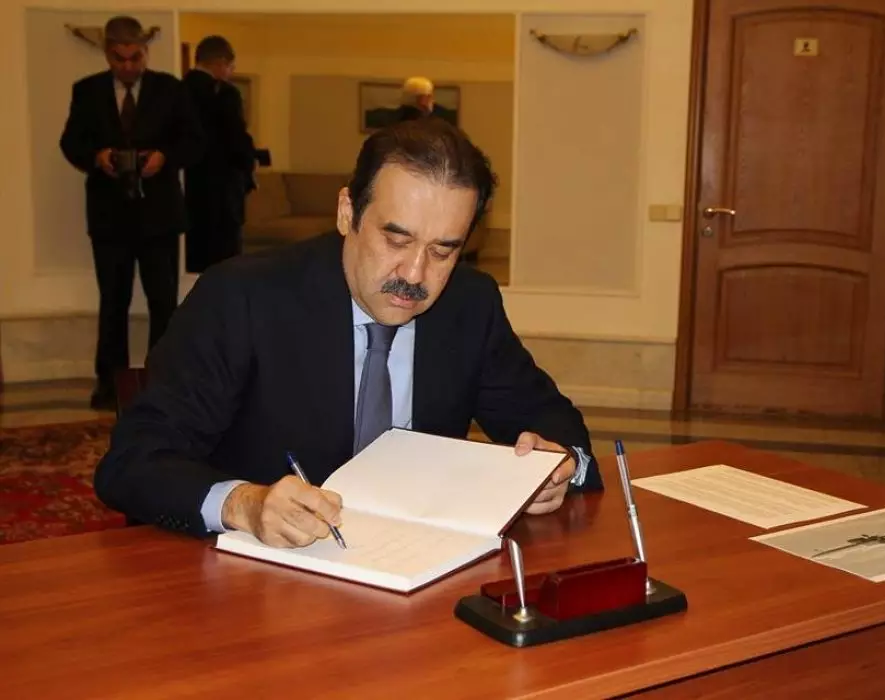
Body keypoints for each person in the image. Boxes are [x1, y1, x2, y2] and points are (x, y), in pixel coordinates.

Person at [94, 118, 603, 548]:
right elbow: (134, 461)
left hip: (418, 570)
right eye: (396, 239)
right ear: (347, 213)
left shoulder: (469, 304)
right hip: (260, 584)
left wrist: (560, 467)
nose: (415, 274)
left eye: (443, 250)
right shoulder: (243, 297)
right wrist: (244, 504)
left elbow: (550, 421)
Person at [59, 16, 204, 410]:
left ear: (145, 52)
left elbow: (195, 141)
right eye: (119, 59)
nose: (127, 66)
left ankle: (162, 382)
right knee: (113, 301)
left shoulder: (170, 89)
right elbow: (70, 143)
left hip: (160, 214)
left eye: (134, 57)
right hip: (109, 216)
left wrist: (165, 157)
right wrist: (98, 157)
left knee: (163, 302)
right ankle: (109, 384)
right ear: (108, 54)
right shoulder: (87, 90)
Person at [182, 35, 259, 274]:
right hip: (223, 189)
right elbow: (235, 138)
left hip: (190, 188)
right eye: (230, 67)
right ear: (221, 62)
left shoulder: (179, 91)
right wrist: (248, 165)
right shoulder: (225, 94)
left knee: (194, 257)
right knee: (225, 260)